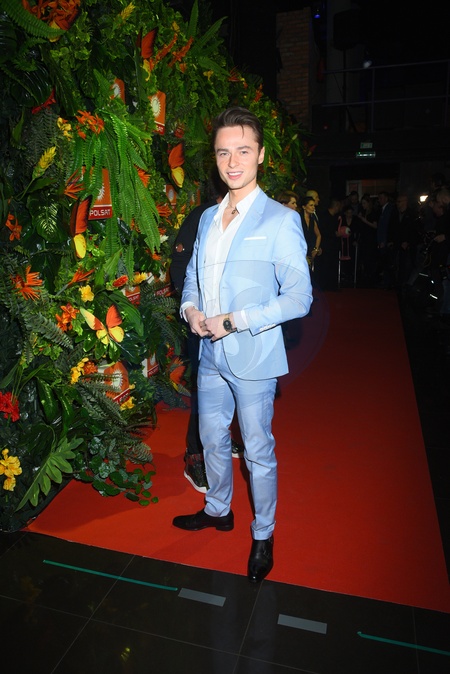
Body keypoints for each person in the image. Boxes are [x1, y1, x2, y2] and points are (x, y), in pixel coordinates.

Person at [172, 106, 313, 583]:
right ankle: (218, 508)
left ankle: (263, 533)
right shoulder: (208, 218)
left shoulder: (281, 220)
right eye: (223, 153)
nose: (232, 162)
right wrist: (190, 309)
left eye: (243, 151)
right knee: (212, 439)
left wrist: (234, 321)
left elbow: (299, 298)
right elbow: (193, 277)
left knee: (256, 451)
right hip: (209, 355)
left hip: (254, 356)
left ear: (261, 155)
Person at [170, 170, 244, 494]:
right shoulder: (202, 217)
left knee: (233, 386)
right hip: (201, 323)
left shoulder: (247, 218)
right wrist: (192, 310)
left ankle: (221, 439)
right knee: (205, 393)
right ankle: (195, 454)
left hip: (235, 324)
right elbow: (180, 266)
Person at [315, 197, 343, 291]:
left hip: (333, 246)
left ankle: (331, 285)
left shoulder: (335, 217)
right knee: (325, 265)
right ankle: (324, 285)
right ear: (336, 206)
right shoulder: (323, 216)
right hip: (325, 245)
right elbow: (322, 231)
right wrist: (334, 233)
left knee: (332, 265)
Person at [356, 193, 378, 286]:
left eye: (364, 203)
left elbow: (375, 226)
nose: (363, 205)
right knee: (364, 257)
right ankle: (364, 275)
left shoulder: (373, 212)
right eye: (362, 203)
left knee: (370, 258)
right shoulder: (363, 212)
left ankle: (371, 276)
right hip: (364, 238)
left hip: (370, 239)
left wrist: (365, 221)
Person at [299, 195, 321, 282]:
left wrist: (316, 248)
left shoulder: (313, 220)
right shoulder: (298, 218)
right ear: (304, 207)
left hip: (310, 249)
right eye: (311, 205)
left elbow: (319, 235)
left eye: (314, 205)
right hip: (300, 249)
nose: (313, 207)